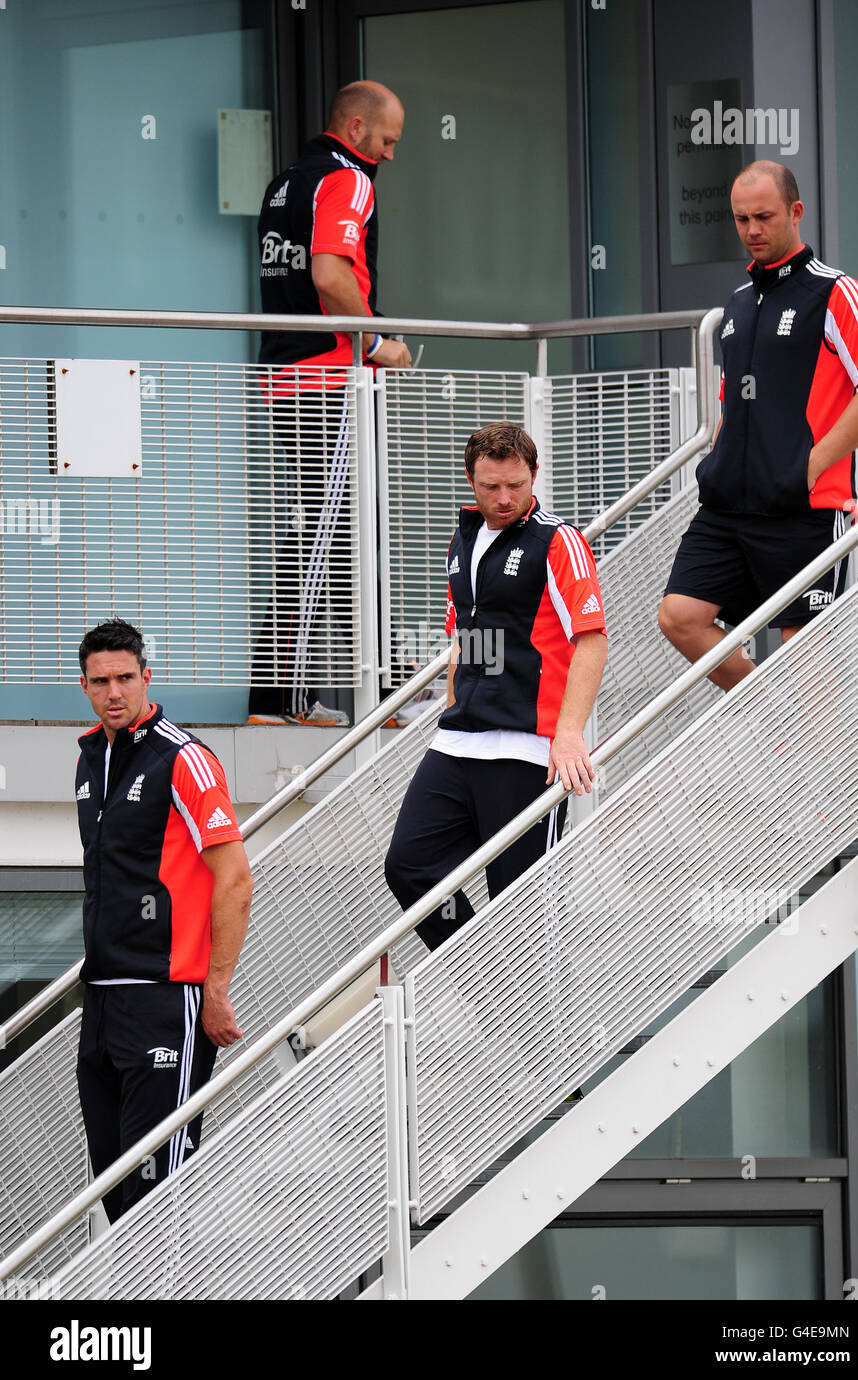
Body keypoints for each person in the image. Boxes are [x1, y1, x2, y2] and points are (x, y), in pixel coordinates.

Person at [658, 161, 858, 688]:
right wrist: (720, 455)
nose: (752, 230)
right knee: (679, 618)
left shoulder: (836, 292)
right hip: (727, 508)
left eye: (763, 216)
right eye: (741, 219)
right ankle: (763, 708)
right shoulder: (738, 303)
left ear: (796, 211)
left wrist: (807, 466)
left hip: (803, 510)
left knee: (803, 660)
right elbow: (730, 401)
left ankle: (817, 764)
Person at [384, 422, 608, 952]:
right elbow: (463, 636)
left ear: (534, 474)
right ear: (470, 480)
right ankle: (481, 971)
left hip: (530, 750)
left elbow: (592, 639)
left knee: (519, 906)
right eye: (491, 487)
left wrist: (569, 732)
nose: (505, 499)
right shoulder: (460, 541)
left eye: (516, 485)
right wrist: (455, 697)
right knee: (410, 867)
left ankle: (532, 1028)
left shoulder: (559, 540)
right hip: (459, 742)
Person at [75, 618, 254, 1223]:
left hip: (165, 996)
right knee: (113, 1196)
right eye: (101, 682)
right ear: (86, 688)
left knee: (158, 1196)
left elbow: (235, 877)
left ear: (147, 677)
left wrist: (216, 988)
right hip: (100, 1000)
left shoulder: (184, 759)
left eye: (126, 678)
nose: (115, 692)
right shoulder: (88, 759)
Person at [250, 80, 412, 727]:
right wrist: (378, 341)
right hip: (327, 378)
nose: (391, 154)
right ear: (354, 126)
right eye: (388, 140)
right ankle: (372, 689)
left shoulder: (284, 182)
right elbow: (328, 274)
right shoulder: (347, 181)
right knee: (337, 534)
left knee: (325, 532)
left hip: (283, 374)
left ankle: (308, 694)